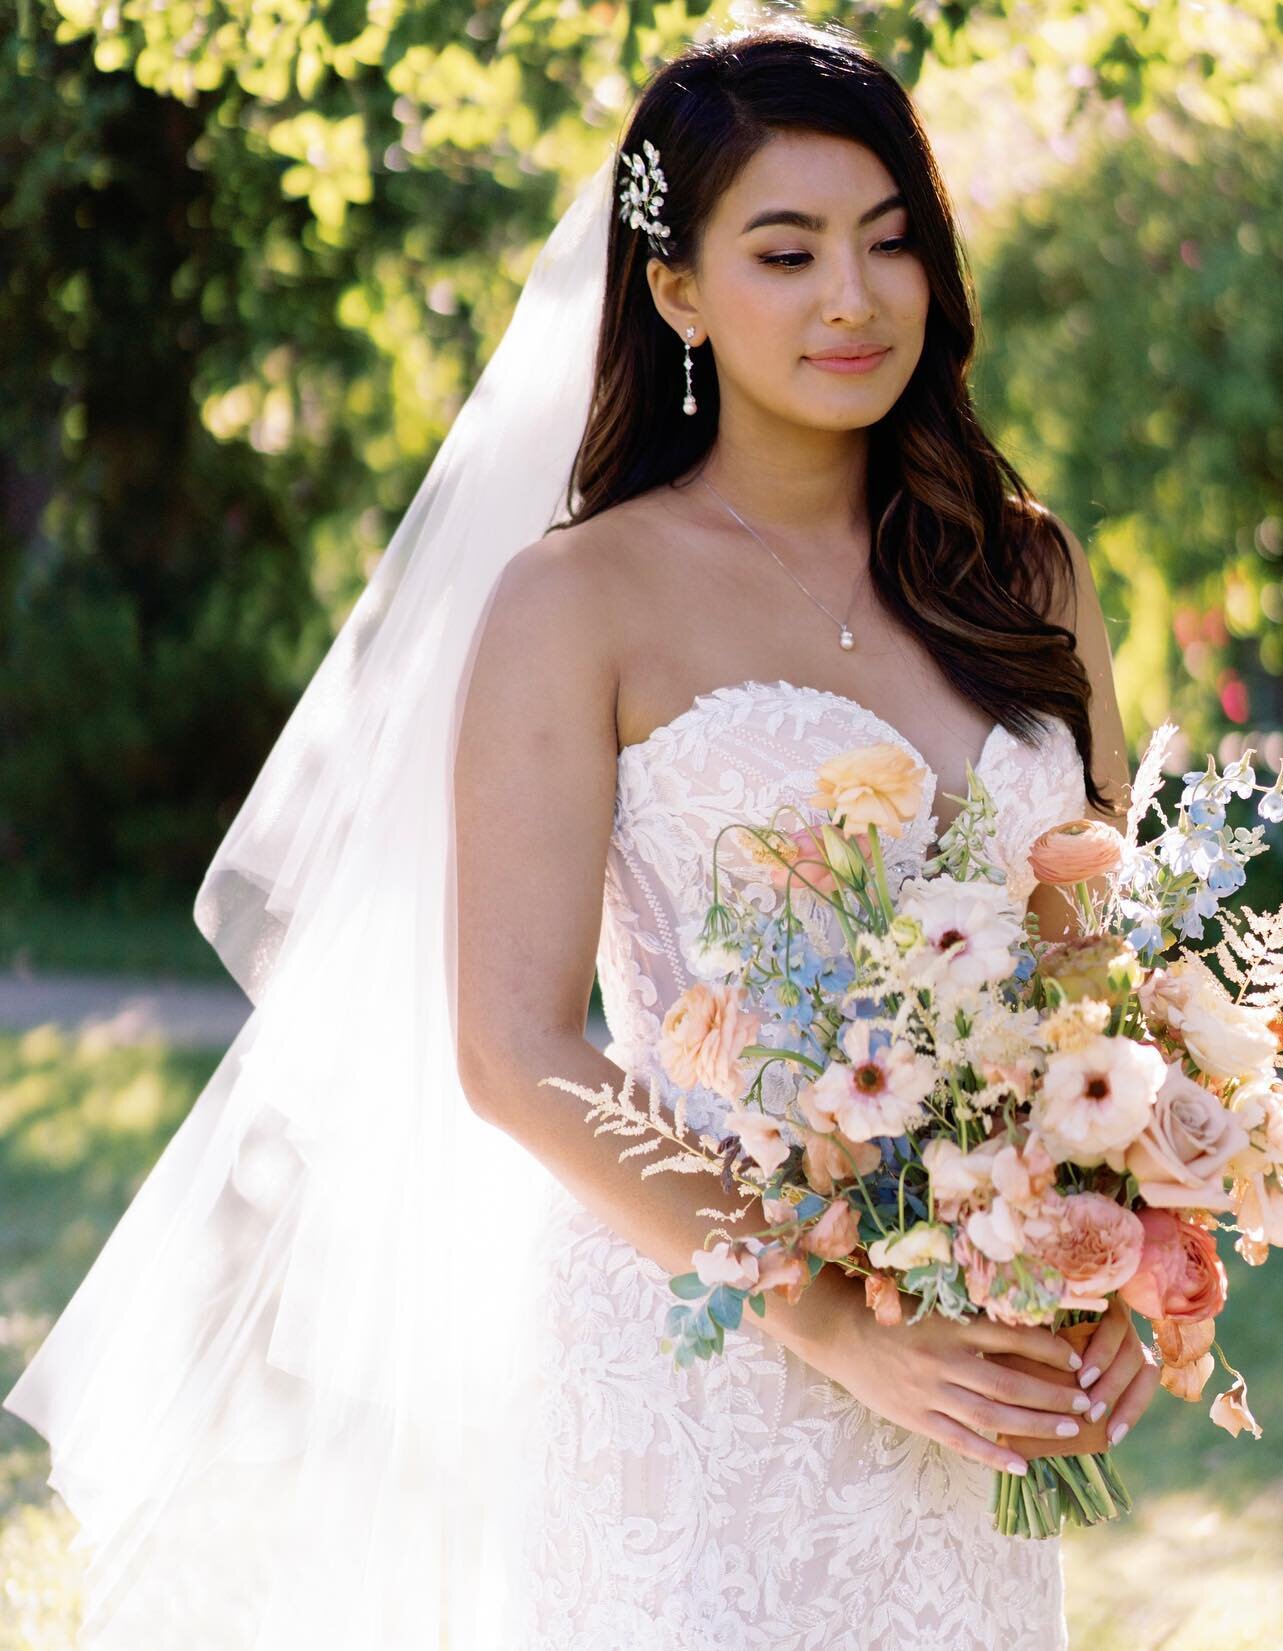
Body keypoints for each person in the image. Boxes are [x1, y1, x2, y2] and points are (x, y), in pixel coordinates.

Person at [4, 17, 1158, 1650]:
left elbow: (1090, 962)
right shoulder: (577, 598)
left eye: (892, 240)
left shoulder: (1022, 572)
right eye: (788, 249)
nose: (854, 296)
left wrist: (1115, 1259)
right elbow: (516, 1044)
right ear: (678, 288)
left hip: (978, 1367)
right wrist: (828, 1317)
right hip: (703, 1364)